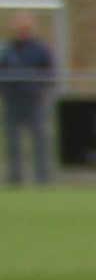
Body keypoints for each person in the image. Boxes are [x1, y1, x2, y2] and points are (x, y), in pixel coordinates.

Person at [1, 14, 53, 187]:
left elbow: (50, 73)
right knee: (13, 144)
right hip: (12, 103)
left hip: (34, 103)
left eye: (25, 29)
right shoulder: (7, 49)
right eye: (19, 29)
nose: (22, 32)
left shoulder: (40, 50)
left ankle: (42, 180)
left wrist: (39, 91)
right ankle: (15, 180)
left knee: (39, 143)